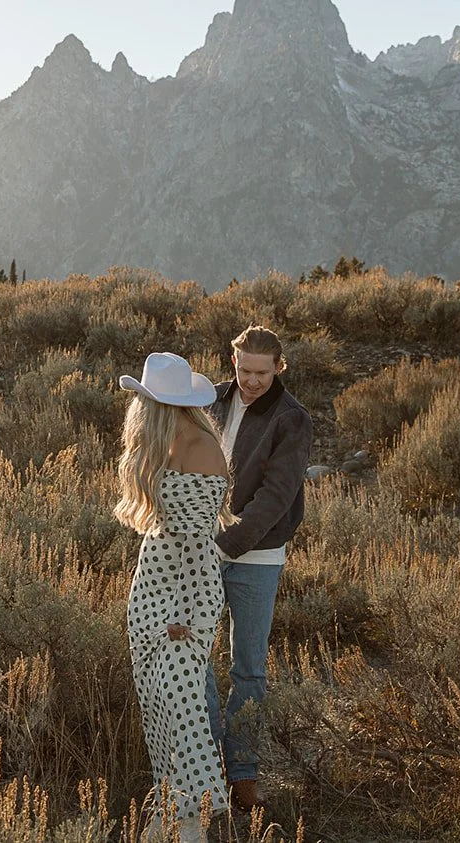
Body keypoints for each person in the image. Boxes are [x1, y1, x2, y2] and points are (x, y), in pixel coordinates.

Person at [116, 351, 238, 843]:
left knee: (184, 704)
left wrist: (182, 614)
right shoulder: (168, 439)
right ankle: (170, 811)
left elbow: (194, 540)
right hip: (154, 590)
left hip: (181, 598)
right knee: (160, 707)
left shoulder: (199, 445)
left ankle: (199, 816)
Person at [204, 326, 313, 815]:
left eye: (261, 373)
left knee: (249, 667)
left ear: (278, 368)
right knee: (191, 656)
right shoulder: (210, 401)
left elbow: (276, 497)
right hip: (202, 550)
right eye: (243, 369)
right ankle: (203, 762)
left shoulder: (292, 419)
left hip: (256, 556)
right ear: (234, 361)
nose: (250, 381)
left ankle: (242, 772)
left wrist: (226, 545)